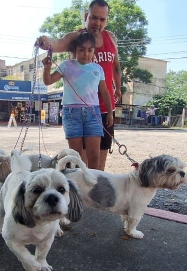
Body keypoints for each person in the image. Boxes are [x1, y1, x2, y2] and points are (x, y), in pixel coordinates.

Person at [37, 0, 120, 171]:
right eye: (94, 18)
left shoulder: (110, 38)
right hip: (78, 109)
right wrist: (46, 42)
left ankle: (95, 191)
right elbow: (58, 43)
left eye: (102, 19)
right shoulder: (76, 38)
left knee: (99, 156)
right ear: (86, 16)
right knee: (79, 159)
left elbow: (116, 65)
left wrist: (118, 88)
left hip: (103, 108)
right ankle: (80, 193)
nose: (98, 23)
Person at [42, 32, 113, 170]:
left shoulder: (98, 69)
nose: (86, 54)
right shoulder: (66, 65)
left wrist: (110, 113)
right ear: (75, 50)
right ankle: (78, 188)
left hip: (93, 115)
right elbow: (48, 80)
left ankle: (92, 188)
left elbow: (105, 92)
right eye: (81, 50)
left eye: (90, 50)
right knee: (76, 157)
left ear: (94, 51)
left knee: (94, 156)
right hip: (71, 115)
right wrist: (46, 68)